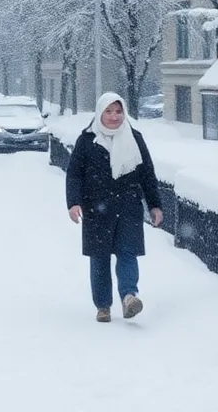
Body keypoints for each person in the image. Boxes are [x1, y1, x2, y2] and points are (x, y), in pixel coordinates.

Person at [66, 92, 163, 323]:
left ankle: (129, 296)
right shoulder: (87, 141)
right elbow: (74, 175)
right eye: (108, 111)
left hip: (128, 206)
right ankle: (103, 305)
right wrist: (74, 203)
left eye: (118, 111)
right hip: (96, 208)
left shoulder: (134, 138)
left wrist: (155, 205)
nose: (114, 116)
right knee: (99, 257)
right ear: (100, 113)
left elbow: (147, 174)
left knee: (127, 252)